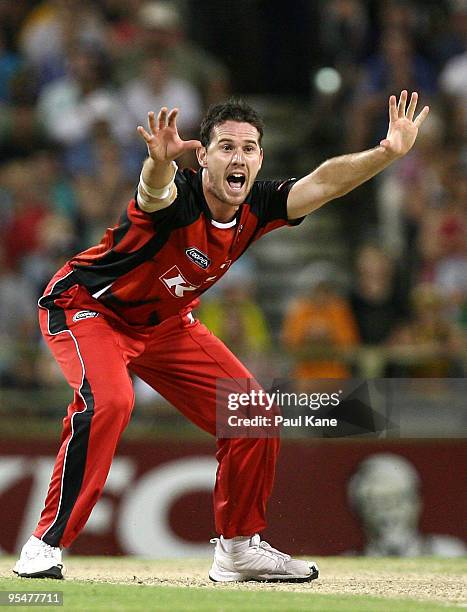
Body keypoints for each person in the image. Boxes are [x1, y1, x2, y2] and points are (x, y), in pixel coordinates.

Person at [13, 91, 429, 582]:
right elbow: (153, 190)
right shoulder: (177, 196)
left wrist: (387, 152)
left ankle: (237, 549)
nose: (239, 157)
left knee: (253, 412)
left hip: (164, 325)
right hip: (87, 308)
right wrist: (156, 164)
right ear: (202, 156)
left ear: (259, 159)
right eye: (226, 147)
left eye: (249, 148)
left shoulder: (257, 204)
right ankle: (44, 545)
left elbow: (325, 183)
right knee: (111, 402)